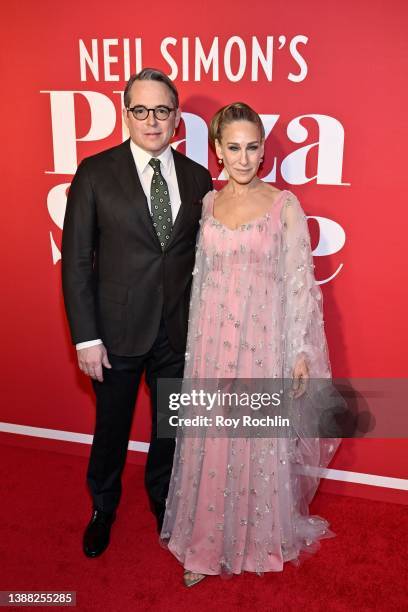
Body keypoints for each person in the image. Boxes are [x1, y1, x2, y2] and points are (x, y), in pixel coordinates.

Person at [160, 102, 341, 586]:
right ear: (218, 149)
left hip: (263, 343)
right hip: (213, 345)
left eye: (252, 147)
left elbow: (301, 282)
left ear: (264, 149)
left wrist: (300, 350)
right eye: (233, 147)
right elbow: (200, 282)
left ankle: (259, 538)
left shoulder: (284, 205)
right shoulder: (207, 205)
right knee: (214, 442)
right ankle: (204, 546)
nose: (243, 158)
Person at [61, 68, 213, 558]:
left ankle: (164, 499)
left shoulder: (197, 177)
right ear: (126, 114)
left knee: (169, 427)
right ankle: (103, 507)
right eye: (141, 110)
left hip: (177, 332)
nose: (152, 120)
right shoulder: (95, 171)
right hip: (116, 332)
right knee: (111, 429)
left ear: (176, 117)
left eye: (162, 110)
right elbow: (77, 261)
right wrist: (86, 338)